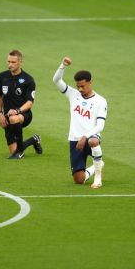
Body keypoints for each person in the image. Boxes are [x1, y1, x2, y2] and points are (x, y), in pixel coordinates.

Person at [53, 57, 107, 188]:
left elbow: (100, 126)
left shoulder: (100, 101)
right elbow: (56, 80)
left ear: (90, 82)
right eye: (78, 86)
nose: (80, 89)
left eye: (82, 86)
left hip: (90, 137)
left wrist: (85, 136)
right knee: (79, 180)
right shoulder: (73, 94)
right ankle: (98, 164)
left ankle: (98, 179)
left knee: (93, 141)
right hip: (74, 139)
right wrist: (63, 65)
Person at [0, 49, 42, 159]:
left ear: (20, 62)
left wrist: (17, 111)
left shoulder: (28, 80)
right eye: (8, 62)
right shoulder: (2, 76)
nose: (10, 65)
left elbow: (30, 103)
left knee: (13, 119)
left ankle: (20, 152)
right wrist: (0, 113)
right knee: (12, 152)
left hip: (24, 115)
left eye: (13, 62)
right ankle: (34, 140)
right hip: (7, 116)